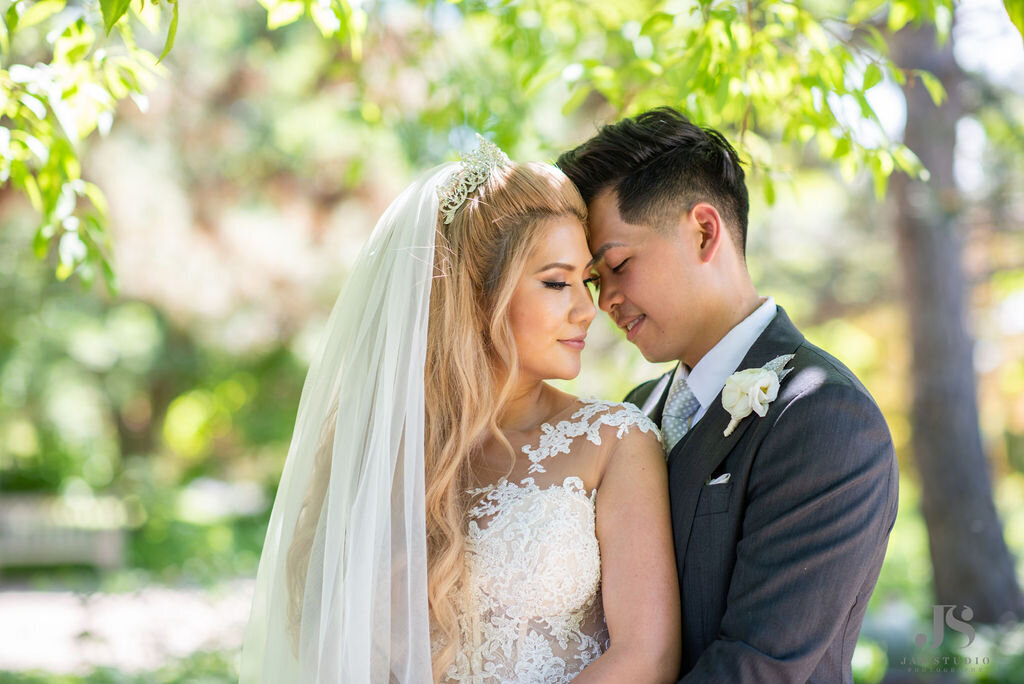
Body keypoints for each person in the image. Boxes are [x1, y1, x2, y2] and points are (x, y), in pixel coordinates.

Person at [239, 137, 681, 683]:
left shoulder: (614, 441)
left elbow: (647, 657)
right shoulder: (378, 453)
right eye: (556, 282)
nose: (587, 310)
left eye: (585, 282)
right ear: (474, 295)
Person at [556, 107, 899, 683]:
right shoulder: (633, 412)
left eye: (617, 265)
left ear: (704, 231)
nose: (604, 300)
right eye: (595, 280)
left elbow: (755, 667)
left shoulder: (823, 415)